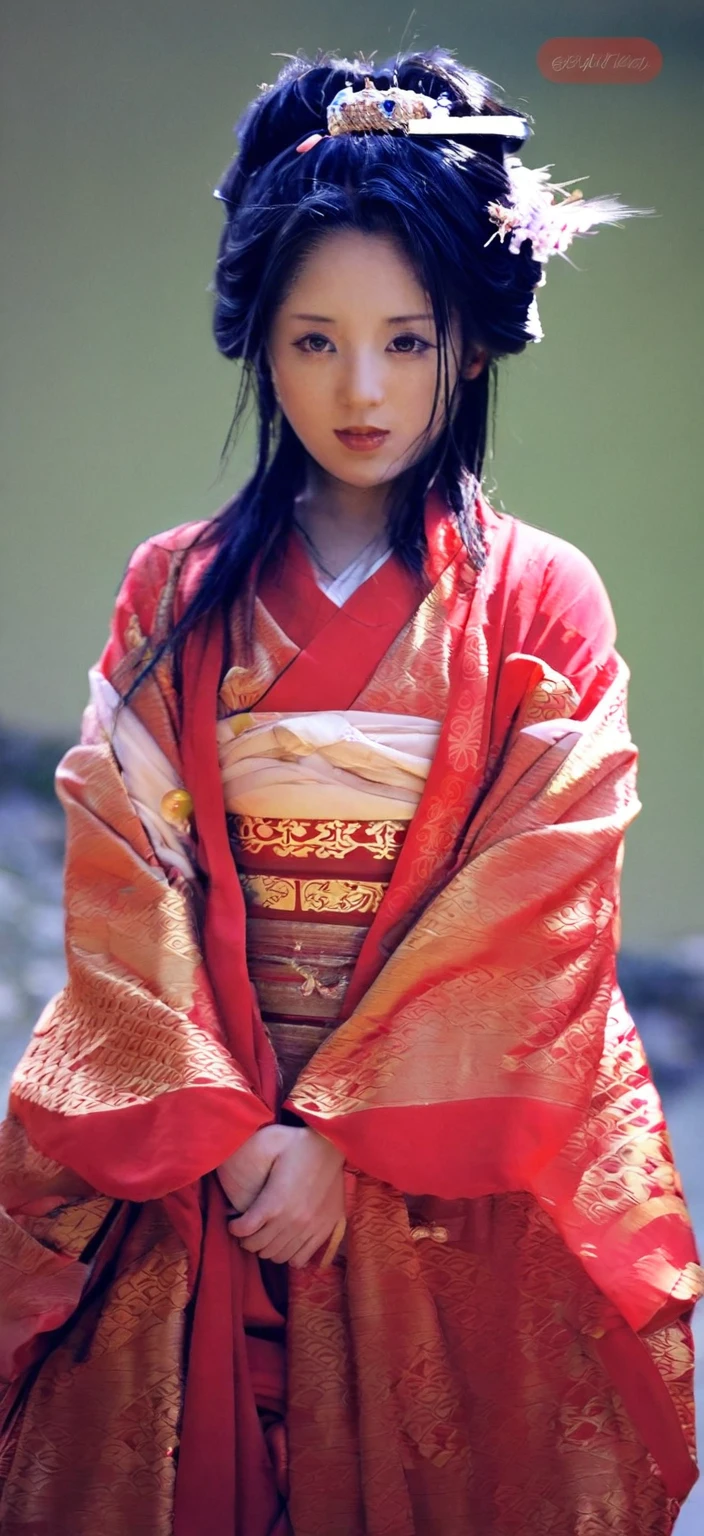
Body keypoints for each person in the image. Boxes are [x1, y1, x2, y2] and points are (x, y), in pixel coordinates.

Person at [0, 45, 701, 1536]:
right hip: (208, 1154)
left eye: (407, 337)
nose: (363, 389)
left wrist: (344, 1143)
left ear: (477, 342)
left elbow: (539, 905)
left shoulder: (541, 603)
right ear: (260, 342)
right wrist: (244, 1134)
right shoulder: (175, 592)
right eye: (315, 340)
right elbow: (127, 877)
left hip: (438, 1173)